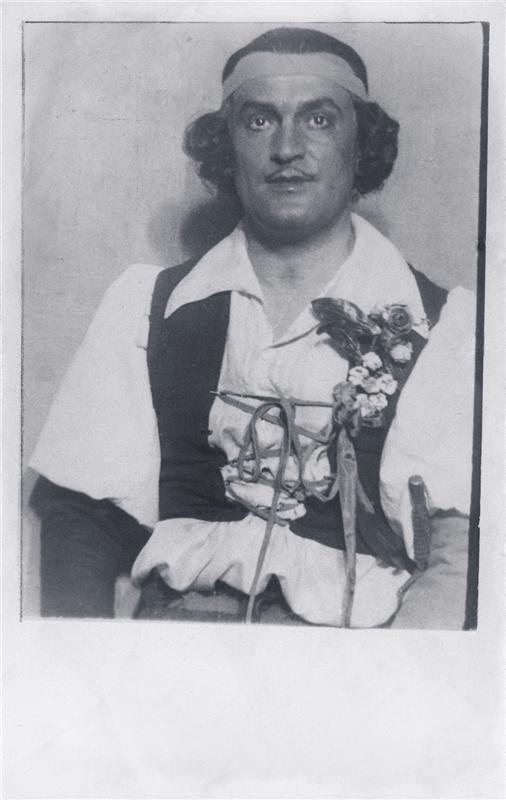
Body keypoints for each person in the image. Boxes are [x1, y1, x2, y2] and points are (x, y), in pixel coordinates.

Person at [29, 27, 475, 627]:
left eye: (318, 120)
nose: (287, 148)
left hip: (354, 656)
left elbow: (458, 558)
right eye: (260, 121)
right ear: (227, 146)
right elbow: (79, 522)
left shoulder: (439, 325)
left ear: (361, 144)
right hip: (177, 645)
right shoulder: (150, 307)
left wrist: (398, 679)